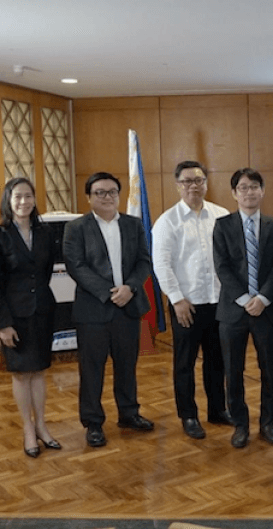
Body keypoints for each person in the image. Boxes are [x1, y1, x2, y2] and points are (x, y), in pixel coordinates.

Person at [63, 172, 154, 448]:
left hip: (128, 307)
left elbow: (143, 261)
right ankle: (92, 422)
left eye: (112, 191)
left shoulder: (133, 224)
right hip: (93, 310)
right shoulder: (76, 228)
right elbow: (75, 266)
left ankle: (128, 413)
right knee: (92, 369)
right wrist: (108, 292)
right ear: (89, 197)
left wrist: (130, 288)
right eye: (100, 192)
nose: (107, 197)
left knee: (127, 365)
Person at [152, 161, 232, 440]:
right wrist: (176, 300)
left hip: (218, 302)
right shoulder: (167, 221)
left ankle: (217, 410)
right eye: (187, 181)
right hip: (187, 304)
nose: (193, 186)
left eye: (198, 180)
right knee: (184, 364)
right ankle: (188, 415)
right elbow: (161, 265)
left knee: (217, 361)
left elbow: (232, 259)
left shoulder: (221, 215)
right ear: (178, 186)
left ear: (206, 184)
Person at [213, 168, 273, 449]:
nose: (249, 192)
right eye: (243, 188)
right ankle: (240, 424)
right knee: (234, 370)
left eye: (254, 186)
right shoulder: (223, 225)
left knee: (269, 369)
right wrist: (245, 299)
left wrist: (263, 298)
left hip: (266, 310)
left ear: (262, 191)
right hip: (233, 311)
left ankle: (268, 422)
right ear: (234, 194)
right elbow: (222, 267)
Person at [0, 178, 61, 457]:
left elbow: (45, 271)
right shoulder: (2, 234)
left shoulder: (45, 232)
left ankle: (42, 427)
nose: (23, 202)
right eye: (17, 197)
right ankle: (27, 430)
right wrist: (3, 324)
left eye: (28, 196)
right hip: (14, 315)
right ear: (8, 201)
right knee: (22, 374)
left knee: (39, 371)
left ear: (35, 199)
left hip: (42, 310)